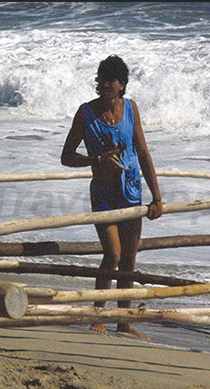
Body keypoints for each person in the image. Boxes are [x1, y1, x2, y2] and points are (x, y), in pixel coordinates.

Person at [61, 55, 163, 340]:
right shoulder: (85, 114)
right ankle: (98, 314)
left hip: (131, 191)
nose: (106, 84)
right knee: (113, 254)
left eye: (112, 80)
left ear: (122, 84)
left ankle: (123, 319)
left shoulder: (131, 109)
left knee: (129, 259)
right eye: (102, 79)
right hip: (104, 194)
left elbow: (142, 152)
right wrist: (96, 160)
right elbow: (66, 157)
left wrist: (156, 197)